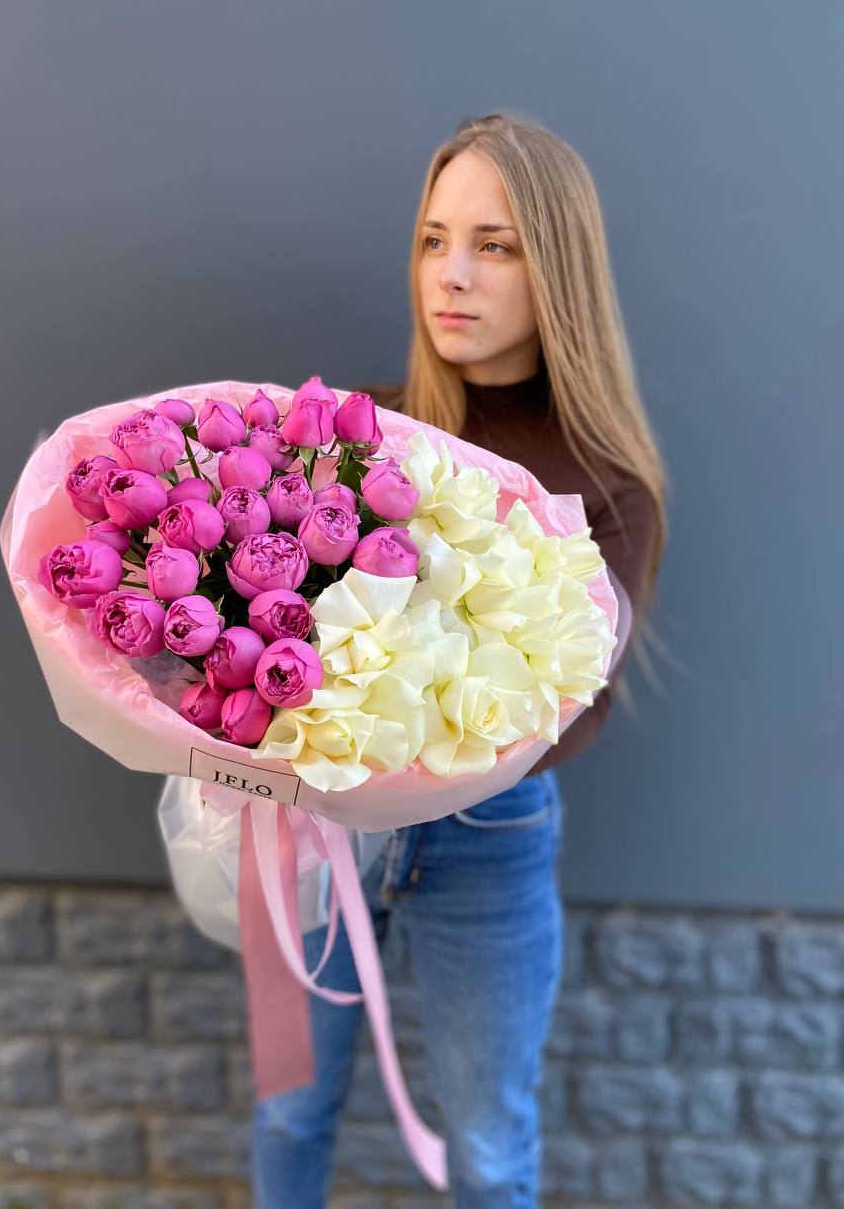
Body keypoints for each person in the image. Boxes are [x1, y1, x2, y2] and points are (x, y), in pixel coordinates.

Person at [250, 111, 669, 1207]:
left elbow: (568, 706)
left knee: (487, 1147)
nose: (453, 274)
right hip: (323, 824)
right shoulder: (356, 436)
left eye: (496, 245)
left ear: (558, 270)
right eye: (434, 239)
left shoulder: (607, 485)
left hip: (488, 841)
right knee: (289, 1104)